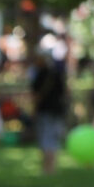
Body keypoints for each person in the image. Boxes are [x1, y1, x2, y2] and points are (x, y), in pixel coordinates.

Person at [31, 41, 67, 176]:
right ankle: (51, 168)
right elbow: (63, 92)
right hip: (56, 110)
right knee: (52, 139)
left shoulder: (41, 74)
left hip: (46, 111)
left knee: (46, 138)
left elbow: (35, 94)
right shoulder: (57, 74)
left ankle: (47, 168)